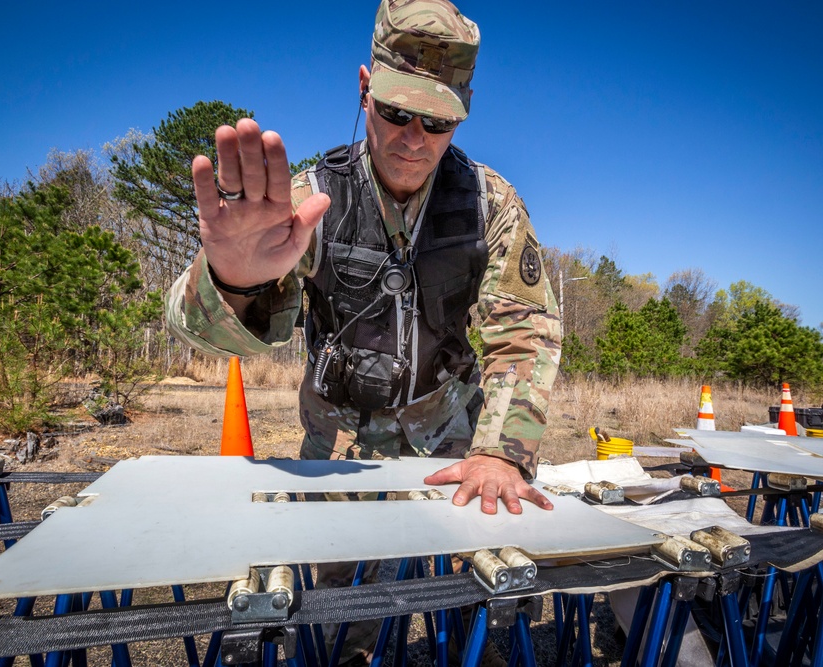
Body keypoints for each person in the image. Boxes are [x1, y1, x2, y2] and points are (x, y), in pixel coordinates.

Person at [166, 0, 561, 662]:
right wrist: (233, 281)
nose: (413, 136)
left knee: (478, 608)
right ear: (363, 89)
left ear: (463, 112)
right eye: (396, 111)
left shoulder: (491, 204)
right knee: (339, 622)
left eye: (436, 121)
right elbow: (204, 333)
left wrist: (501, 449)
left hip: (457, 447)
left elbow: (526, 333)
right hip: (342, 452)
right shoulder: (309, 199)